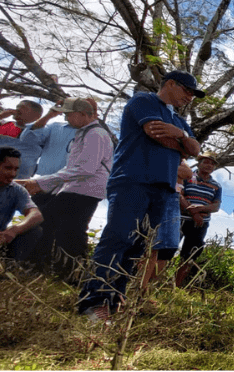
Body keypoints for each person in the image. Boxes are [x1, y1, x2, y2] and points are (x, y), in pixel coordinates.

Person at [76, 70, 203, 321]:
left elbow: (195, 150)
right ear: (170, 84)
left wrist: (180, 135)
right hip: (133, 181)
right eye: (187, 91)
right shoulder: (143, 100)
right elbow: (157, 135)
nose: (190, 97)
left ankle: (114, 303)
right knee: (118, 239)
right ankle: (95, 303)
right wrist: (181, 143)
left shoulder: (178, 120)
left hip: (163, 189)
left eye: (193, 94)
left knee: (137, 247)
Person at [16, 98, 112, 280]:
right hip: (76, 188)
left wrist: (41, 182)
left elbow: (85, 168)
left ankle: (55, 271)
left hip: (83, 190)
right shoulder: (86, 133)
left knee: (53, 224)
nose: (66, 118)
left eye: (69, 114)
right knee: (66, 229)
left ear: (83, 114)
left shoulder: (95, 134)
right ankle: (63, 272)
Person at [174, 151, 222, 287]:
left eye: (212, 163)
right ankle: (156, 281)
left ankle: (177, 286)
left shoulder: (216, 186)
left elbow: (216, 206)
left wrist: (199, 210)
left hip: (201, 223)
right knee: (168, 248)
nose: (209, 165)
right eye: (206, 162)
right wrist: (192, 212)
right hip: (181, 219)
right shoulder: (187, 177)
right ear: (199, 163)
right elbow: (179, 195)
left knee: (189, 254)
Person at [0, 148, 43, 264]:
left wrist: (14, 230)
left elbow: (36, 214)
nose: (13, 174)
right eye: (8, 168)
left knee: (34, 230)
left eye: (16, 169)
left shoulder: (17, 190)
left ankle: (9, 268)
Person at [0, 100, 43, 177]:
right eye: (17, 107)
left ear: (37, 116)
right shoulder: (6, 125)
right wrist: (1, 116)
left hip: (20, 181)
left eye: (23, 107)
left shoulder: (44, 133)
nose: (18, 109)